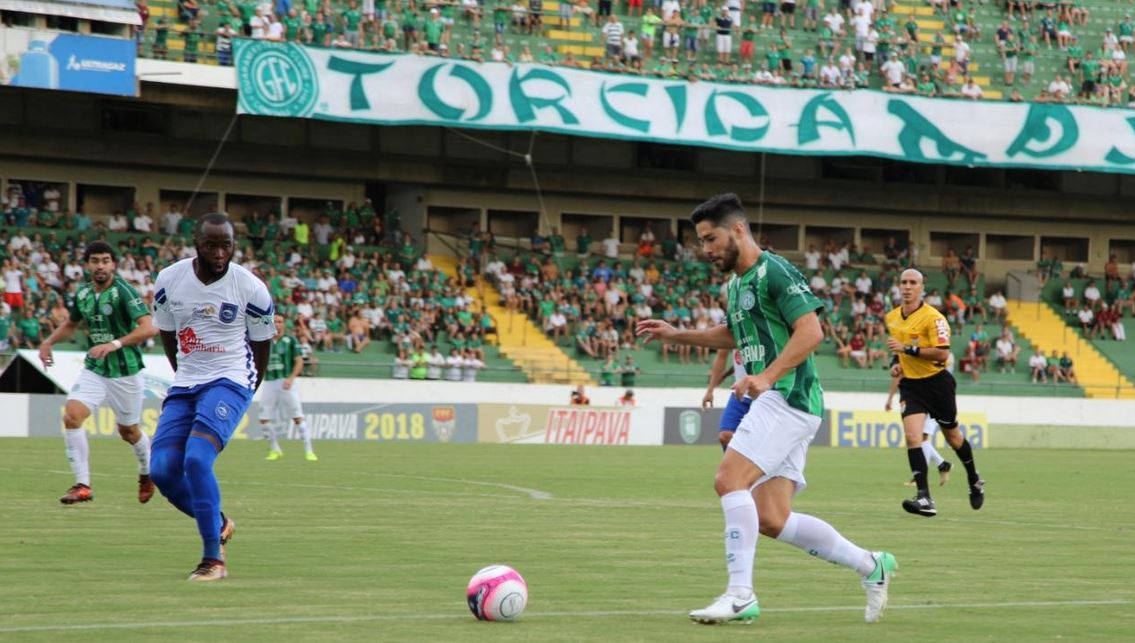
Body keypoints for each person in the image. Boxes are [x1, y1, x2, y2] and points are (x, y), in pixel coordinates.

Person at [636, 193, 895, 626]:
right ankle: (872, 566)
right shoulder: (735, 285)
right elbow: (733, 335)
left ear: (737, 229)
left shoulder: (773, 270)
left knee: (728, 479)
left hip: (788, 396)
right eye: (701, 242)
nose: (706, 249)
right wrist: (675, 333)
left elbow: (811, 331)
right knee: (771, 519)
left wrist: (767, 376)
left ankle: (740, 595)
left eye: (711, 238)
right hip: (779, 399)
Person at [150, 213, 275, 581]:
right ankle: (219, 521)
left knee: (197, 460)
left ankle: (212, 560)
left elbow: (262, 345)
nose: (220, 253)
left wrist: (245, 390)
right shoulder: (169, 280)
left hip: (230, 380)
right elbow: (168, 335)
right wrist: (184, 374)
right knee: (162, 472)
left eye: (227, 245)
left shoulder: (251, 288)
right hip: (187, 383)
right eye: (212, 245)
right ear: (196, 244)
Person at [37, 241, 158, 505]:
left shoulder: (124, 291)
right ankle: (83, 485)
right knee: (72, 416)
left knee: (129, 432)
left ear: (113, 264)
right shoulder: (82, 293)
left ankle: (147, 473)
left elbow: (149, 328)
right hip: (95, 369)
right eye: (95, 261)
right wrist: (48, 342)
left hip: (126, 371)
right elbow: (71, 324)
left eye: (105, 260)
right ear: (87, 265)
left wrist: (113, 344)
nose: (100, 265)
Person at [885, 269, 985, 518]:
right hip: (911, 385)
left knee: (953, 437)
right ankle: (924, 497)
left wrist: (907, 349)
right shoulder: (892, 318)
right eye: (904, 282)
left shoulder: (934, 318)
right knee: (912, 437)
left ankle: (974, 478)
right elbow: (898, 353)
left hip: (937, 384)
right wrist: (896, 364)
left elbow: (943, 353)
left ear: (921, 288)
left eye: (913, 283)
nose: (907, 287)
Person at [260, 314, 316, 462]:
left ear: (283, 324)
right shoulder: (265, 341)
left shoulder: (291, 340)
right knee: (264, 419)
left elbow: (299, 362)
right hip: (269, 382)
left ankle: (308, 450)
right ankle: (275, 450)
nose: (277, 324)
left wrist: (291, 378)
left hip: (286, 382)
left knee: (297, 416)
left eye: (280, 322)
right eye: (275, 322)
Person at [886, 370, 951, 487]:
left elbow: (897, 378)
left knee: (921, 438)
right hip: (920, 400)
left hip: (927, 400)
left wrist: (890, 399)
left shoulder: (915, 359)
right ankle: (942, 465)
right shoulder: (907, 360)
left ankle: (920, 477)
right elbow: (896, 377)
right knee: (920, 438)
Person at [702, 347, 752, 450]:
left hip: (763, 394)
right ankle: (736, 466)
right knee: (725, 436)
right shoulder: (732, 332)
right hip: (739, 394)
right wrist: (710, 390)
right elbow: (722, 356)